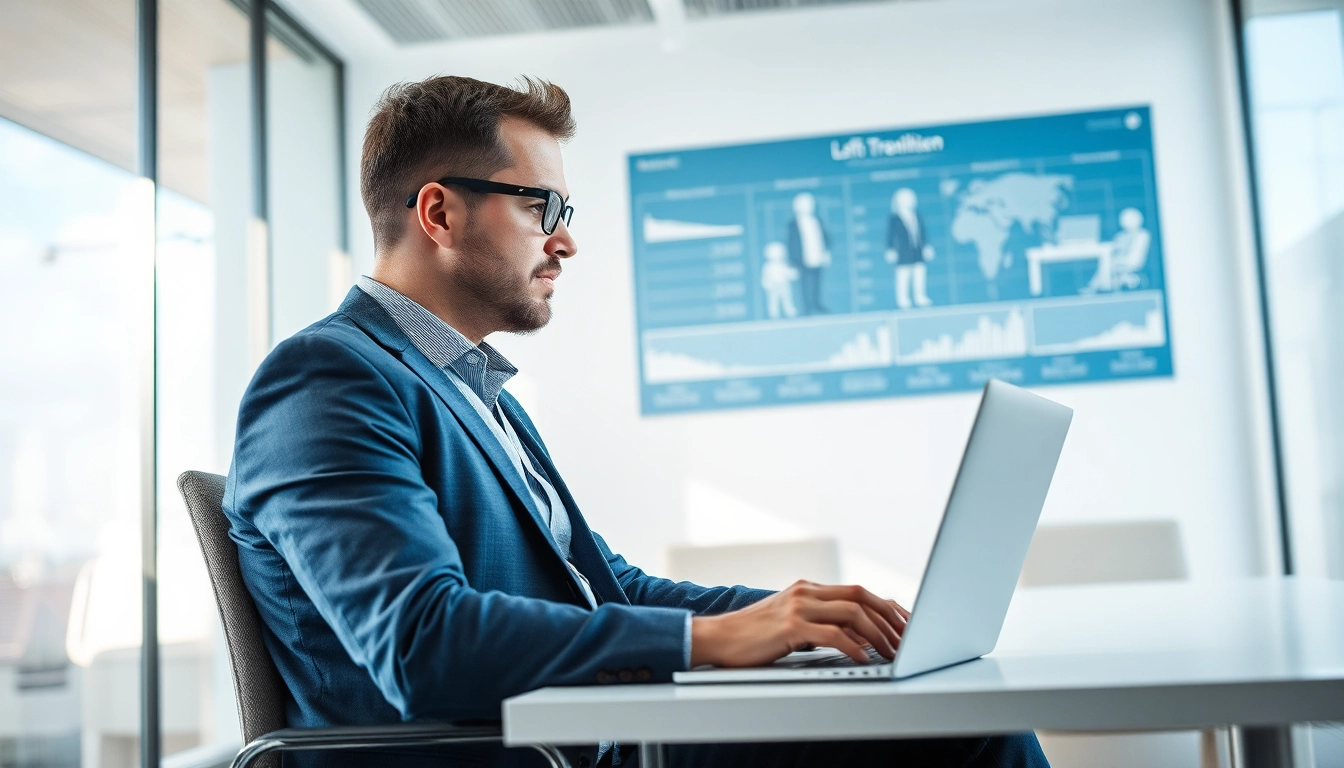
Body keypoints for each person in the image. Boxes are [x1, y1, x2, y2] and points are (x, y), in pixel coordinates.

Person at [224, 74, 1050, 768]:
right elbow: (422, 642)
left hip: (595, 739)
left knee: (951, 712)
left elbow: (608, 588)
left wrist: (804, 617)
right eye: (544, 208)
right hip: (513, 755)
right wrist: (711, 644)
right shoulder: (327, 380)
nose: (567, 243)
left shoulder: (481, 392)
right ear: (439, 214)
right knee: (964, 731)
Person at [885, 187, 934, 309]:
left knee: (919, 274)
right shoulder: (894, 218)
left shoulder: (917, 215)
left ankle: (920, 297)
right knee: (903, 276)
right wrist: (890, 249)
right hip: (903, 253)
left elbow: (922, 233)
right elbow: (890, 235)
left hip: (917, 250)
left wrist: (926, 246)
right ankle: (903, 299)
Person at [785, 192, 831, 314]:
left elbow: (825, 237)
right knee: (805, 284)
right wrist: (792, 264)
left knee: (817, 282)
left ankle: (816, 304)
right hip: (802, 259)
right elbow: (791, 244)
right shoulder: (793, 225)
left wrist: (826, 251)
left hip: (818, 256)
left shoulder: (817, 220)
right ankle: (807, 307)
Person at [760, 241, 799, 319]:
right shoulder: (767, 266)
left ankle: (789, 311)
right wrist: (766, 284)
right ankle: (774, 313)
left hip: (784, 285)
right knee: (773, 300)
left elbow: (789, 273)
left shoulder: (784, 264)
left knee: (787, 298)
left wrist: (794, 274)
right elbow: (765, 277)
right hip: (773, 286)